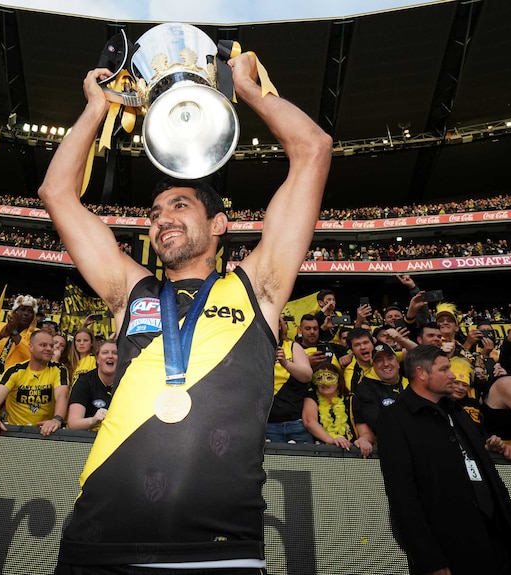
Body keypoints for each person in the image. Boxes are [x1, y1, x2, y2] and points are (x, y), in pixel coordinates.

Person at [38, 52, 330, 571]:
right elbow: (56, 193)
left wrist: (250, 91)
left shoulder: (258, 288)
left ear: (219, 225)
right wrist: (94, 109)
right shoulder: (131, 291)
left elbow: (313, 149)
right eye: (154, 213)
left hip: (219, 550)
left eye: (180, 206)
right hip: (98, 542)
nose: (161, 219)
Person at [377, 345, 511, 575]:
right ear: (421, 373)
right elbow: (402, 496)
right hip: (450, 548)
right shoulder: (394, 419)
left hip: (498, 539)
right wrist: (428, 557)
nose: (452, 375)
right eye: (444, 369)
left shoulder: (458, 410)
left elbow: (491, 477)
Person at [0, 331, 68, 436]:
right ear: (30, 347)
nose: (49, 349)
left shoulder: (59, 369)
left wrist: (57, 419)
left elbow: (62, 396)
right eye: (43, 345)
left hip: (45, 432)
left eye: (51, 345)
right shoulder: (14, 370)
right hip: (14, 431)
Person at [302, 363, 372, 454]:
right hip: (322, 452)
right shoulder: (311, 397)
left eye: (330, 378)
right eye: (319, 378)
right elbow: (309, 421)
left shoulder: (351, 400)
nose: (324, 382)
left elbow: (365, 431)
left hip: (351, 451)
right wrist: (331, 440)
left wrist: (364, 439)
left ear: (339, 381)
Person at [266, 316, 314, 443]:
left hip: (295, 424)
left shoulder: (292, 346)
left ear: (280, 326)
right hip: (267, 424)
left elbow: (307, 375)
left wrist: (286, 364)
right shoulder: (255, 348)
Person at [352, 343, 409, 447]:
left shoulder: (411, 384)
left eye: (390, 358)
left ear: (398, 363)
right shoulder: (365, 388)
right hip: (389, 447)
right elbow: (378, 421)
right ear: (373, 366)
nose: (386, 364)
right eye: (379, 360)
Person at [67, 340, 118, 431]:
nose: (110, 356)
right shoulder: (84, 382)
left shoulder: (128, 381)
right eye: (105, 352)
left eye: (115, 353)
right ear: (97, 359)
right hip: (90, 437)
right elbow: (73, 423)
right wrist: (93, 420)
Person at [0, 294, 38, 373]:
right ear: (14, 312)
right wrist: (0, 336)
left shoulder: (36, 334)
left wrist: (14, 333)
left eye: (30, 311)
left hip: (15, 379)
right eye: (23, 309)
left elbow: (33, 356)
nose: (26, 313)